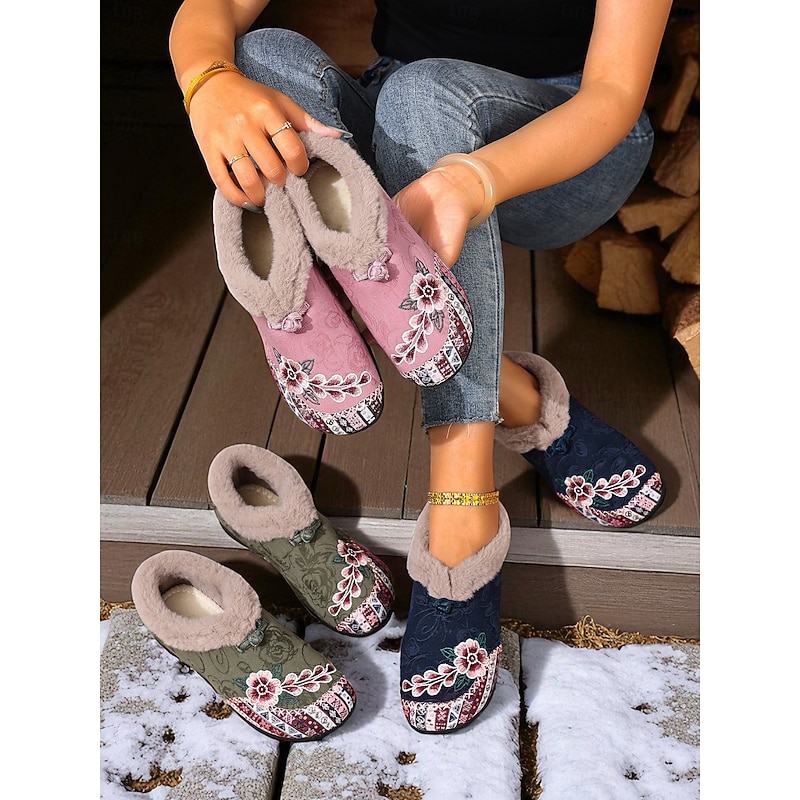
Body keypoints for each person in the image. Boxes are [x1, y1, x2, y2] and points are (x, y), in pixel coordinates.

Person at [169, 0, 673, 733]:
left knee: (423, 93)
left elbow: (613, 95)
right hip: (406, 117)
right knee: (260, 60)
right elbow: (209, 10)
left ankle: (462, 510)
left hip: (574, 142)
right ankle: (515, 396)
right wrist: (208, 82)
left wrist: (473, 180)